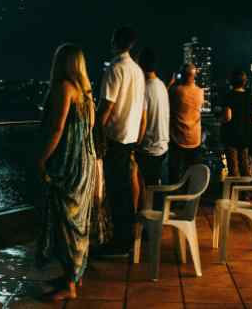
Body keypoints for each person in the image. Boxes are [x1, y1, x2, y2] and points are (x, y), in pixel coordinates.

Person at [36, 44, 97, 300]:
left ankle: (69, 286)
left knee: (65, 223)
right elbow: (89, 128)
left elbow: (57, 129)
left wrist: (41, 159)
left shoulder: (64, 88)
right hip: (86, 162)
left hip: (68, 165)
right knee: (78, 222)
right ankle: (74, 277)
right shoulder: (86, 93)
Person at [97, 26, 145, 254]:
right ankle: (125, 239)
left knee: (116, 191)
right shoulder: (137, 71)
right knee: (125, 190)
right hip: (131, 138)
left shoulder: (115, 69)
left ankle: (119, 241)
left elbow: (107, 106)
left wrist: (94, 132)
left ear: (115, 41)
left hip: (115, 139)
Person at [135, 48, 169, 206]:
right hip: (162, 146)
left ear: (141, 65)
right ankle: (156, 224)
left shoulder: (144, 89)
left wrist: (135, 145)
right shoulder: (162, 86)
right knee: (156, 191)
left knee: (145, 192)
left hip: (148, 149)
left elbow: (142, 122)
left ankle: (147, 227)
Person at [168, 63, 205, 184]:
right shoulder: (200, 92)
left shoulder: (176, 91)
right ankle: (191, 199)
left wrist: (171, 82)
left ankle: (175, 199)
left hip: (177, 137)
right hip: (194, 138)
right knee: (192, 172)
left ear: (182, 75)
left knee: (174, 172)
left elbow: (166, 99)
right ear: (194, 76)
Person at [222, 69, 252, 177]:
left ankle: (235, 192)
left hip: (231, 135)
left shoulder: (229, 96)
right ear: (245, 82)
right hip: (246, 134)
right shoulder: (249, 96)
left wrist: (221, 120)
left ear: (231, 82)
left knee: (233, 167)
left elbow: (227, 116)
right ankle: (246, 191)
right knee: (245, 164)